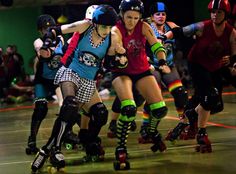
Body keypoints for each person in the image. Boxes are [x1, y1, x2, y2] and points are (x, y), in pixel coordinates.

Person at [31, 5, 127, 173]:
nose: (106, 30)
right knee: (69, 105)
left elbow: (110, 63)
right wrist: (47, 44)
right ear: (95, 23)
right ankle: (56, 149)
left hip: (88, 81)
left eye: (109, 27)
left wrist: (121, 58)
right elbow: (55, 30)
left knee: (100, 114)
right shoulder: (85, 26)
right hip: (70, 72)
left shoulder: (112, 37)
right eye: (103, 26)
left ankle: (76, 142)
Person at [166, 0, 236, 152]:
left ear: (226, 14)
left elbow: (234, 55)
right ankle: (201, 133)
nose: (215, 15)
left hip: (215, 67)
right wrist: (163, 38)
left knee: (215, 104)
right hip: (197, 65)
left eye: (219, 12)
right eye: (213, 12)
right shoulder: (202, 26)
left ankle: (190, 116)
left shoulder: (231, 32)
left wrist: (232, 62)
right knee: (209, 96)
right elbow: (180, 31)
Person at [110, 0, 170, 170]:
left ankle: (151, 131)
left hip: (142, 70)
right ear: (122, 15)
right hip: (122, 72)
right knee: (129, 109)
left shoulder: (143, 26)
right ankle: (121, 147)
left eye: (136, 18)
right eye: (129, 17)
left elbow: (156, 44)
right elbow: (116, 42)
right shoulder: (116, 29)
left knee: (160, 109)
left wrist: (162, 59)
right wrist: (119, 51)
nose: (132, 21)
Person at [136, 2, 189, 144]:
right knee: (154, 97)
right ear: (152, 17)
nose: (161, 16)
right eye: (157, 14)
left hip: (169, 66)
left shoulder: (170, 25)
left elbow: (184, 31)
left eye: (163, 14)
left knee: (180, 94)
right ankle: (146, 127)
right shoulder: (146, 27)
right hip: (152, 67)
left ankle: (184, 124)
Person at [25, 14, 65, 155]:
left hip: (57, 79)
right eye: (44, 30)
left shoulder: (60, 38)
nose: (47, 32)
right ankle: (32, 139)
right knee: (41, 108)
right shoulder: (38, 41)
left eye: (50, 29)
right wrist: (46, 50)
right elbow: (41, 51)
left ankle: (67, 134)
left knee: (66, 107)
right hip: (42, 80)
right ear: (39, 31)